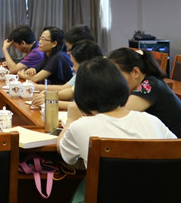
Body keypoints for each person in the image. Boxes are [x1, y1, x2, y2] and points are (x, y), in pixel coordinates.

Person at [57, 57, 175, 203]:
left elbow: (66, 155)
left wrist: (70, 120)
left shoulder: (80, 126)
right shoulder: (152, 120)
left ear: (81, 94)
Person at [108, 47, 181, 138]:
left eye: (116, 75)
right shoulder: (142, 82)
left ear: (135, 72)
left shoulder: (149, 86)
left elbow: (118, 116)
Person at [32, 39, 103, 109]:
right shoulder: (87, 73)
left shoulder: (100, 77)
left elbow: (86, 108)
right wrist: (49, 96)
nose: (73, 68)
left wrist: (50, 101)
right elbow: (71, 92)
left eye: (74, 65)